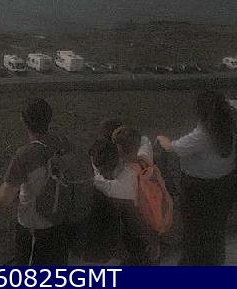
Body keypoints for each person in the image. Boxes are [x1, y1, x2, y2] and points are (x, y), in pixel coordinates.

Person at [156, 90, 236, 265]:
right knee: (216, 227)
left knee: (194, 230)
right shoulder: (228, 123)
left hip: (200, 189)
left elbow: (172, 148)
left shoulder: (202, 135)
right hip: (226, 184)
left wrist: (161, 139)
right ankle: (214, 260)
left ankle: (192, 265)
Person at [0, 98, 68, 265]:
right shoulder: (62, 142)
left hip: (35, 229)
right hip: (61, 223)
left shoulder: (25, 154)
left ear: (23, 121)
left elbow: (3, 199)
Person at [91, 127, 157, 265]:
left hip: (139, 235)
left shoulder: (125, 181)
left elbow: (105, 186)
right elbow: (145, 140)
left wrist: (92, 175)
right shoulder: (144, 158)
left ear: (119, 149)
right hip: (152, 223)